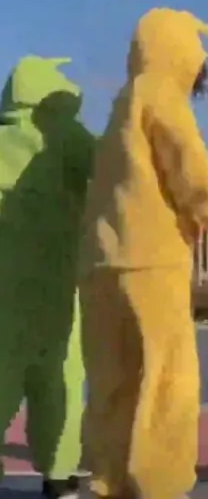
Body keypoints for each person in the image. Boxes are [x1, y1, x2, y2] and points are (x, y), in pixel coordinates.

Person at [78, 7, 208, 499]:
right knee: (168, 377)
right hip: (151, 259)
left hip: (101, 262)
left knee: (111, 380)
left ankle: (107, 479)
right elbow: (187, 164)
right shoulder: (162, 96)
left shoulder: (121, 104)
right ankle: (159, 484)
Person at [0, 56, 94, 499]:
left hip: (4, 290)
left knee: (2, 377)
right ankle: (59, 473)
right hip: (57, 285)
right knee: (60, 382)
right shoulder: (67, 136)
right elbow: (111, 172)